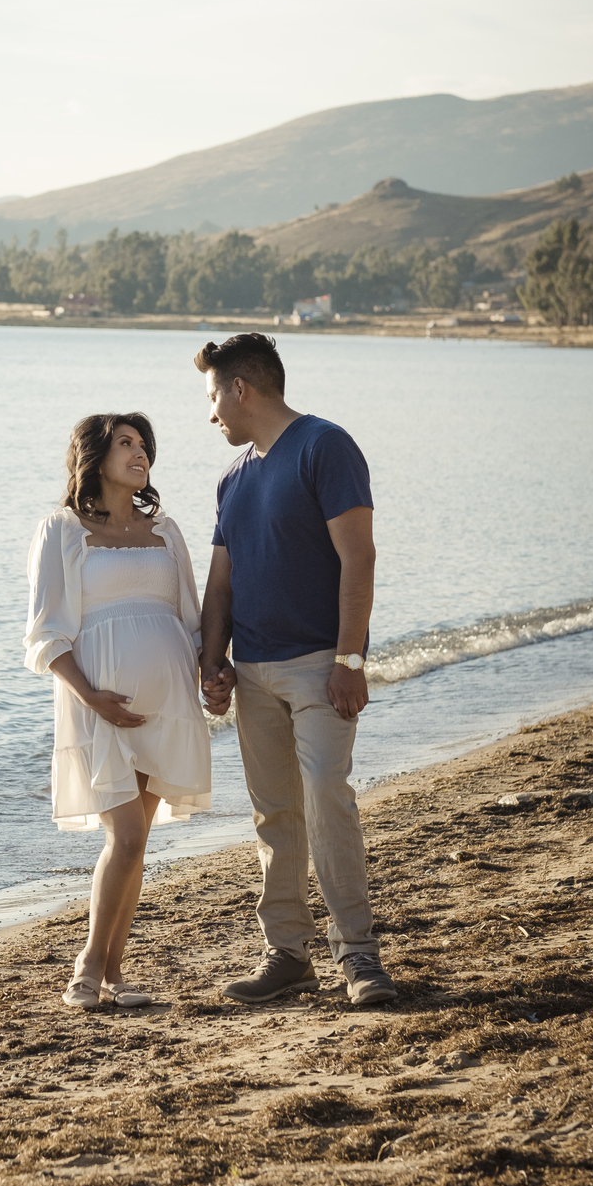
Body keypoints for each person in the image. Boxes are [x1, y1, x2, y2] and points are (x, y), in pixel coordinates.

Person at [195, 333, 397, 1009]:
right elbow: (221, 584)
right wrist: (211, 662)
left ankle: (359, 960)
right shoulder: (232, 479)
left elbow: (360, 559)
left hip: (319, 667)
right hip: (252, 672)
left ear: (241, 389)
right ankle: (286, 955)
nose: (211, 414)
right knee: (274, 814)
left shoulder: (324, 446)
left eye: (213, 397)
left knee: (324, 798)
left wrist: (350, 659)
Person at [24, 412, 212, 1011]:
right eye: (125, 444)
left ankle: (113, 972)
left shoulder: (168, 533)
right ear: (94, 457)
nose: (140, 454)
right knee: (126, 837)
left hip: (168, 703)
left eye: (144, 446)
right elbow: (46, 634)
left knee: (137, 841)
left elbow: (192, 618)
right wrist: (90, 696)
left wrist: (214, 669)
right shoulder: (62, 529)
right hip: (99, 705)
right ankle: (88, 965)